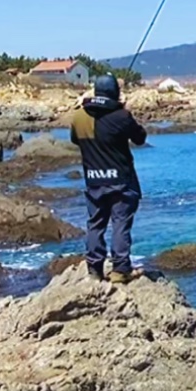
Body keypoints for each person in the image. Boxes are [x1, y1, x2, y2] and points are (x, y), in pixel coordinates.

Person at [69, 74, 148, 282]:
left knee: (95, 223)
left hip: (93, 179)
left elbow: (75, 139)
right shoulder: (121, 117)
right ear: (115, 93)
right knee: (120, 223)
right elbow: (140, 138)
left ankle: (94, 269)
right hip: (121, 179)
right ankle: (121, 269)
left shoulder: (79, 117)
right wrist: (124, 111)